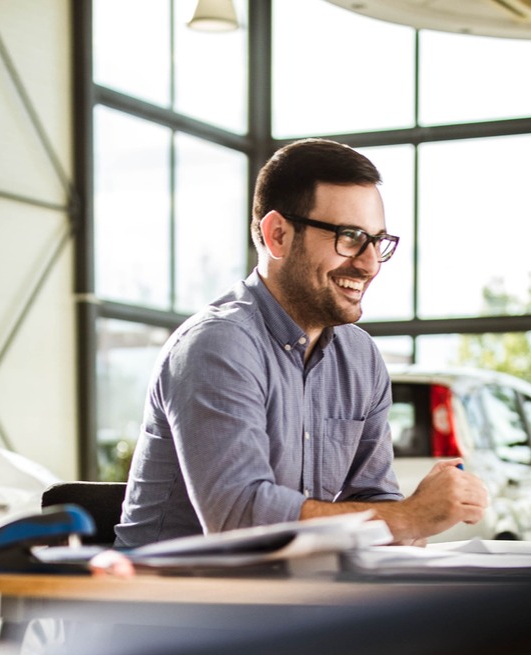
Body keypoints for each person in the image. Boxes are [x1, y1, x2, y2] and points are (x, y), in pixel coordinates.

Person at [114, 140, 488, 548]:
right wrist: (412, 516)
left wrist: (412, 521)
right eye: (349, 237)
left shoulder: (359, 359)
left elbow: (376, 503)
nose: (369, 264)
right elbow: (240, 519)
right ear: (278, 235)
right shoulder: (217, 344)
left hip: (291, 596)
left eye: (377, 242)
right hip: (171, 602)